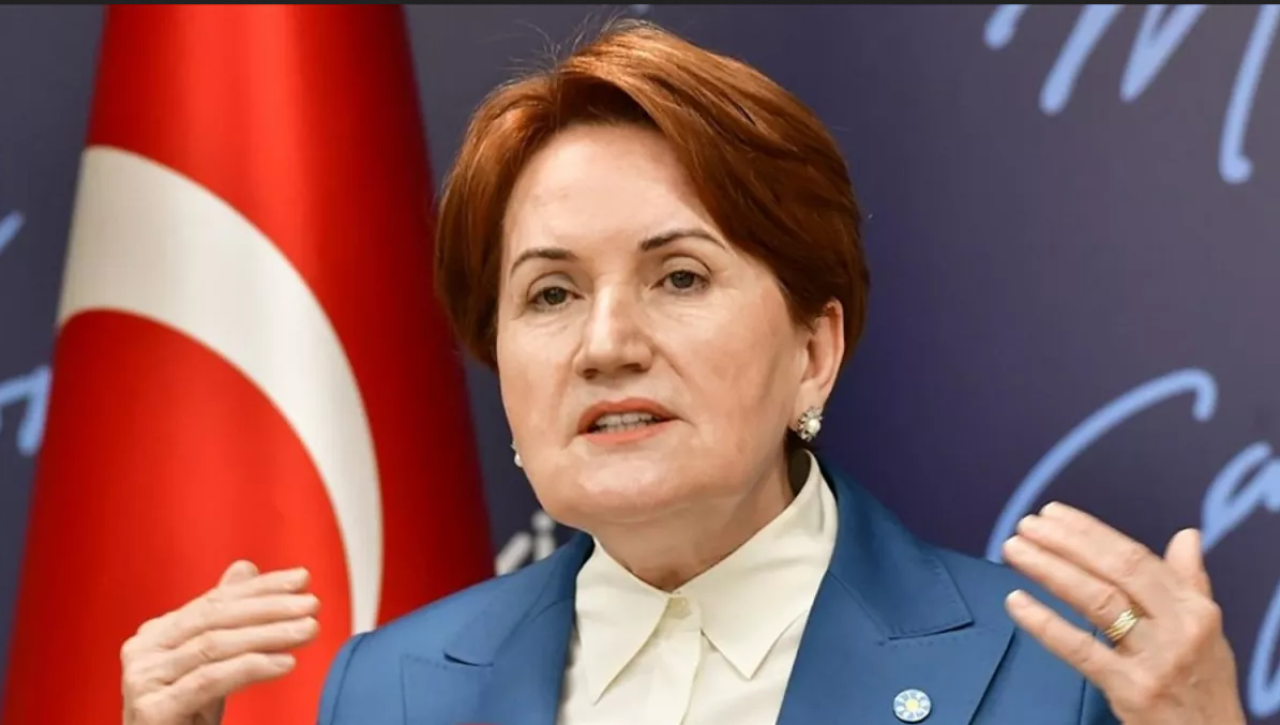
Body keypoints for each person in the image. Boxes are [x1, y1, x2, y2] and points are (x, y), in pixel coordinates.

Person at [119, 19, 1247, 725]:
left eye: (678, 276)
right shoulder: (388, 688)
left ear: (812, 352)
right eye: (549, 294)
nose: (606, 342)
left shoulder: (1053, 671)